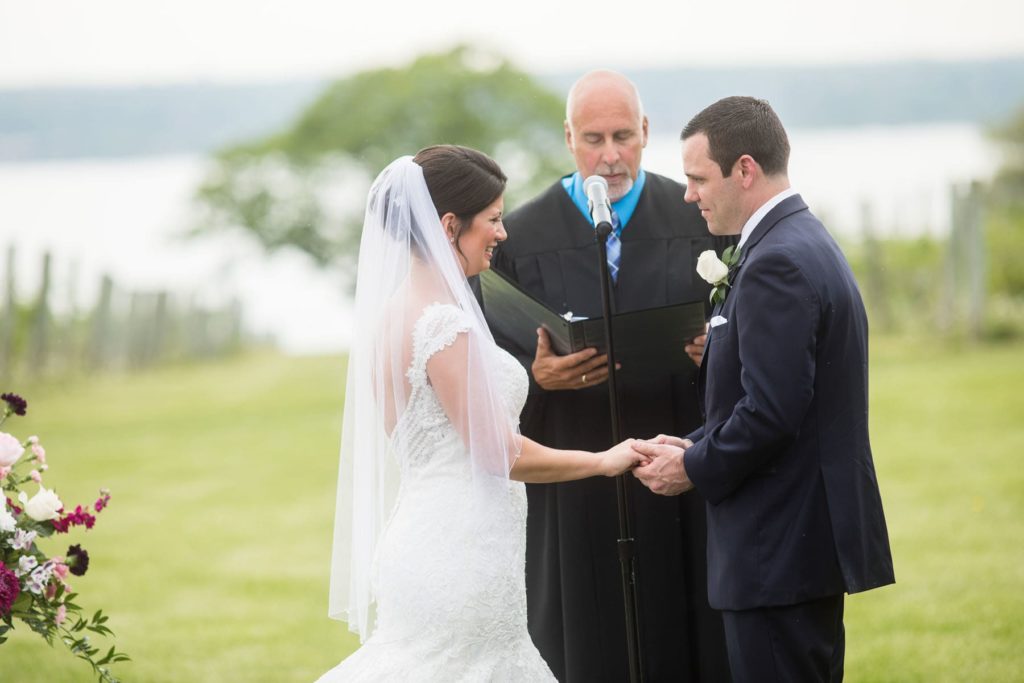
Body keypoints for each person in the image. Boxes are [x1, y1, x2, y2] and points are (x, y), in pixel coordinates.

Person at [317, 145, 646, 682]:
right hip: (460, 555)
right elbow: (499, 452)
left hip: (425, 538)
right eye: (493, 219)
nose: (503, 232)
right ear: (450, 225)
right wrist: (603, 461)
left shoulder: (395, 311)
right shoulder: (444, 324)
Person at [632, 97, 896, 682]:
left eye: (698, 178)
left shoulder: (776, 261)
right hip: (796, 546)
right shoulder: (800, 239)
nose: (688, 194)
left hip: (778, 549)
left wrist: (692, 466)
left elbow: (772, 414)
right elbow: (768, 396)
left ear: (744, 169)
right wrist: (689, 440)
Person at [489, 70, 732, 681]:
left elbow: (750, 339)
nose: (610, 155)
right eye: (593, 138)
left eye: (624, 135)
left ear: (646, 132)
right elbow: (491, 367)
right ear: (568, 137)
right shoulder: (520, 237)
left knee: (690, 630)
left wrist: (719, 356)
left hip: (679, 465)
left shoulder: (696, 218)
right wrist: (537, 374)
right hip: (577, 476)